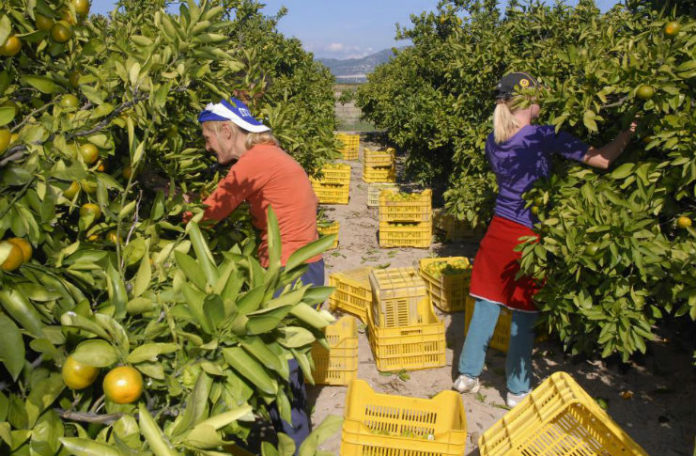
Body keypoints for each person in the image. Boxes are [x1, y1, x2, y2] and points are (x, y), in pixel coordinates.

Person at [453, 72, 635, 408]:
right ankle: (517, 391)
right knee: (523, 313)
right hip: (527, 237)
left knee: (486, 304)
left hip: (497, 232)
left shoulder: (494, 140)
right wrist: (627, 133)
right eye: (538, 96)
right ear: (527, 102)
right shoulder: (541, 137)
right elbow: (603, 160)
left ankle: (467, 375)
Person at [191, 97, 324, 451]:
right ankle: (284, 438)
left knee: (282, 363)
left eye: (207, 137)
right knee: (281, 361)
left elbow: (210, 213)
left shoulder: (256, 161)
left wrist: (173, 204)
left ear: (226, 129)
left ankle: (294, 445)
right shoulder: (267, 156)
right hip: (299, 265)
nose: (206, 146)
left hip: (290, 269)